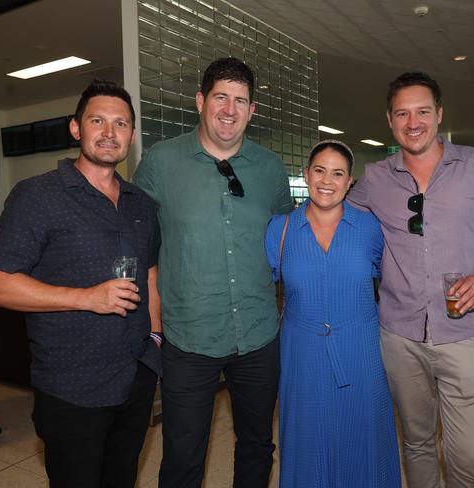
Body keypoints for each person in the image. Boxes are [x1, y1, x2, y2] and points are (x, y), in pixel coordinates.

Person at [0, 80, 162, 488]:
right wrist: (86, 298)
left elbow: (150, 273)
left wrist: (156, 339)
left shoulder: (141, 204)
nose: (110, 133)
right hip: (71, 385)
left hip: (135, 375)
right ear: (76, 128)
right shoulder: (37, 196)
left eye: (121, 124)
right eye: (98, 121)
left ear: (131, 136)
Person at [347, 72, 474, 488]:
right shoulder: (375, 178)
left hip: (464, 332)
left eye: (423, 111)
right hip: (400, 334)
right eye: (403, 113)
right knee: (417, 441)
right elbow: (340, 222)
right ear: (390, 120)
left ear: (439, 115)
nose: (413, 122)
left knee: (470, 456)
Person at [133, 57, 293, 488]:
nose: (230, 109)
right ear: (201, 101)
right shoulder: (161, 163)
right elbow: (138, 245)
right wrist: (151, 321)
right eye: (220, 97)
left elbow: (285, 243)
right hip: (187, 337)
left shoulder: (270, 168)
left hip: (258, 334)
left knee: (258, 445)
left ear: (252, 110)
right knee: (184, 454)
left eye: (241, 100)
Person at [265, 140, 400, 487]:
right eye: (320, 171)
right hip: (301, 352)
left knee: (362, 437)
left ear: (350, 181)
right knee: (306, 440)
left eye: (337, 173)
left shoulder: (371, 228)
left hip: (360, 349)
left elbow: (395, 283)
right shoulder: (279, 230)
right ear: (306, 175)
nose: (327, 180)